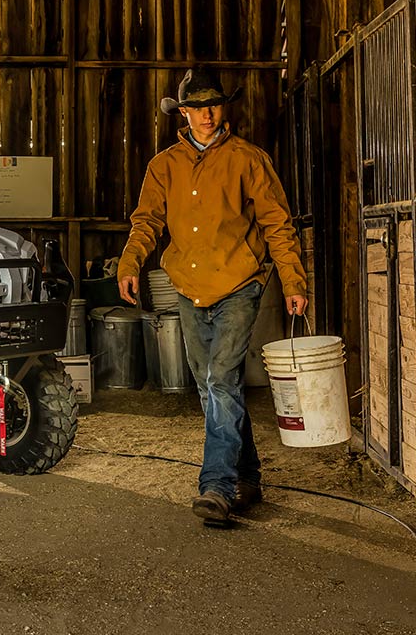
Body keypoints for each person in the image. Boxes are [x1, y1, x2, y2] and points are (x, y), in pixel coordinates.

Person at [116, 68, 308, 527]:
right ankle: (249, 477)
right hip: (188, 287)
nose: (206, 114)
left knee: (221, 379)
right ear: (181, 113)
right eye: (196, 107)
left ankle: (216, 486)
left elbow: (277, 224)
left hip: (240, 284)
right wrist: (129, 264)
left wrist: (294, 281)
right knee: (210, 386)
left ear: (224, 109)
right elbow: (147, 223)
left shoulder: (248, 160)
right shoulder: (163, 167)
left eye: (213, 105)